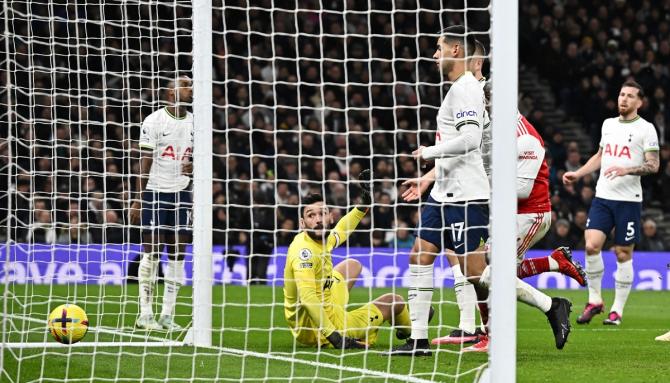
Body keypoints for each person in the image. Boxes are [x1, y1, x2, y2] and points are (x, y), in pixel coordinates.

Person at [387, 27, 572, 356]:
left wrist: (428, 153)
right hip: (444, 192)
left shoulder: (468, 89)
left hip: (466, 195)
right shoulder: (456, 90)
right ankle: (417, 340)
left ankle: (551, 305)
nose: (433, 55)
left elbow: (470, 141)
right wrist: (428, 179)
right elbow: (460, 147)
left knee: (476, 273)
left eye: (438, 47)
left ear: (456, 51)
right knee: (419, 254)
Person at [283, 172, 416, 349]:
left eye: (322, 214)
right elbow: (308, 298)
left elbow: (342, 230)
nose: (318, 220)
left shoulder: (321, 239)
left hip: (326, 299)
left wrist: (363, 206)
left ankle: (394, 322)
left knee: (352, 265)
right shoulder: (304, 252)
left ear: (330, 217)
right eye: (311, 215)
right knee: (395, 301)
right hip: (318, 328)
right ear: (302, 223)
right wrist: (335, 337)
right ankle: (410, 330)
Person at [563, 80, 660, 326]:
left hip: (628, 201)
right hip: (603, 197)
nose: (623, 99)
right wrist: (579, 173)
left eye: (629, 96)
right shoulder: (608, 124)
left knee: (622, 252)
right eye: (621, 94)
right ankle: (594, 300)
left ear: (640, 102)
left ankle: (617, 310)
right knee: (592, 246)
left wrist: (626, 170)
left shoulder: (646, 129)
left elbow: (653, 165)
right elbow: (600, 156)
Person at [129, 75, 194, 331]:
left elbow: (202, 158)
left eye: (190, 84)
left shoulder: (195, 122)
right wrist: (138, 199)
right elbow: (143, 163)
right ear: (171, 93)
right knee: (152, 251)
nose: (190, 89)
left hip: (181, 193)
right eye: (185, 85)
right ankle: (145, 314)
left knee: (178, 252)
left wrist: (194, 164)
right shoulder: (154, 121)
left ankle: (167, 315)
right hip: (155, 192)